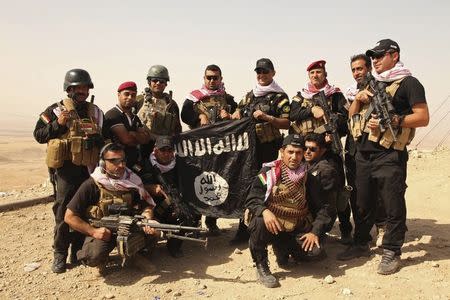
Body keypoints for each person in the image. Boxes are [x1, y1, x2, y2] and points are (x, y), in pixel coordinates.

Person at [338, 39, 430, 275]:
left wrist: (396, 120)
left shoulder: (409, 83)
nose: (375, 60)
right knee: (362, 202)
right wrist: (358, 100)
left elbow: (422, 117)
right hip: (363, 154)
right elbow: (351, 117)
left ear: (395, 56)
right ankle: (361, 243)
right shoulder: (369, 84)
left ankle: (391, 250)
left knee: (392, 203)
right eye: (373, 57)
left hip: (390, 154)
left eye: (380, 55)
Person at [33, 69, 104, 273]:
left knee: (86, 210)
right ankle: (60, 254)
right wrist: (58, 124)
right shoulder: (56, 110)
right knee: (63, 212)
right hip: (66, 172)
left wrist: (97, 139)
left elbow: (105, 138)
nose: (82, 91)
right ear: (69, 89)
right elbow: (39, 135)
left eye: (84, 87)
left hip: (89, 169)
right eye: (77, 88)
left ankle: (78, 251)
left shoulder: (96, 112)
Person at [246, 134, 332, 288]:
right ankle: (261, 265)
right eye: (290, 152)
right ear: (282, 152)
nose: (294, 157)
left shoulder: (308, 177)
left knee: (316, 252)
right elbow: (252, 199)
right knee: (258, 221)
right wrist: (265, 211)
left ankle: (283, 248)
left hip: (295, 227)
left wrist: (315, 232)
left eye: (298, 153)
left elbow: (324, 208)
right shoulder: (269, 173)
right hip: (273, 227)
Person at [64, 143, 158, 273]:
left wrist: (148, 218)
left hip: (127, 228)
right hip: (102, 232)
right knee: (93, 255)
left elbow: (146, 205)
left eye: (122, 160)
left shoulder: (132, 182)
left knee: (154, 231)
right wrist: (93, 232)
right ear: (103, 163)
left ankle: (136, 257)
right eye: (114, 161)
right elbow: (69, 217)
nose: (120, 165)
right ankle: (102, 259)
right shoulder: (92, 184)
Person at [289, 60, 352, 243]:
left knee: (338, 190)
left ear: (325, 74)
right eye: (312, 73)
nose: (315, 75)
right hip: (305, 152)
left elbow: (346, 121)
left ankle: (346, 229)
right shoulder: (301, 96)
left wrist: (333, 126)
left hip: (329, 150)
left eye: (319, 72)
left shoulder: (336, 95)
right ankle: (311, 227)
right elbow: (292, 115)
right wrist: (311, 109)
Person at [181, 64, 237, 235]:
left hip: (220, 151)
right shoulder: (194, 98)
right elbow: (184, 115)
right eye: (209, 77)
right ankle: (196, 223)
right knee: (198, 183)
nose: (212, 80)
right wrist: (199, 115)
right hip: (200, 150)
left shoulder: (227, 98)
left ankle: (212, 221)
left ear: (221, 79)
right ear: (204, 78)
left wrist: (232, 115)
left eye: (215, 77)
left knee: (217, 184)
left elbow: (238, 115)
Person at [142, 136, 184, 257]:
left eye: (169, 150)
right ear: (155, 151)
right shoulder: (145, 164)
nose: (166, 154)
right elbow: (133, 186)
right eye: (163, 150)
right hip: (150, 205)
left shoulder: (178, 165)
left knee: (185, 214)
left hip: (172, 202)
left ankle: (174, 245)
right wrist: (149, 188)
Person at [104, 81, 152, 171]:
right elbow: (127, 140)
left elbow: (146, 139)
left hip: (133, 163)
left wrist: (133, 134)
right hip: (116, 166)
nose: (130, 97)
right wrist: (137, 137)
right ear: (119, 95)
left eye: (133, 95)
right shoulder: (113, 115)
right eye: (126, 94)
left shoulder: (134, 117)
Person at [137, 65, 182, 160]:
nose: (158, 83)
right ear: (149, 82)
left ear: (166, 84)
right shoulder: (139, 101)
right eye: (154, 80)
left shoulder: (171, 104)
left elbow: (177, 128)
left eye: (162, 81)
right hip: (143, 149)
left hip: (164, 151)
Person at [303, 133, 339, 233]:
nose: (307, 152)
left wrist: (316, 231)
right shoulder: (303, 164)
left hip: (319, 218)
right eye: (305, 148)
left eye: (312, 149)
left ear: (322, 150)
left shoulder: (326, 171)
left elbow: (328, 206)